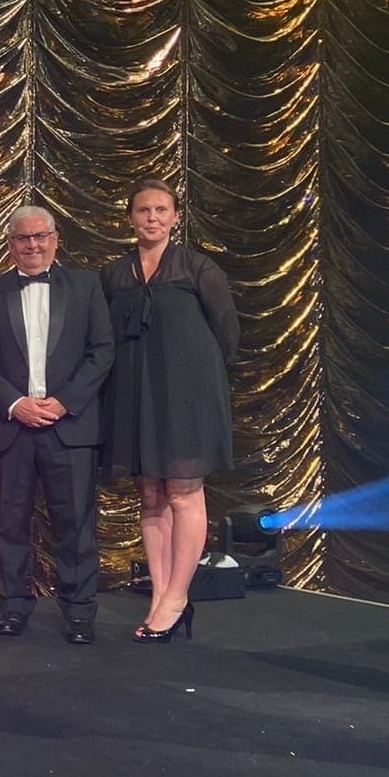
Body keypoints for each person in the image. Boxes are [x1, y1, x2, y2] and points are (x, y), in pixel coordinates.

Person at [102, 177, 239, 642]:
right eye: (144, 210)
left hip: (188, 395)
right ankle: (161, 596)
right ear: (130, 218)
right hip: (136, 394)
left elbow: (227, 334)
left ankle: (179, 596)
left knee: (183, 492)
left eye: (161, 210)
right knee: (150, 495)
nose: (152, 218)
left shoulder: (199, 268)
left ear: (176, 217)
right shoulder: (115, 274)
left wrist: (196, 377)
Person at [0, 205, 113, 644]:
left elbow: (102, 350)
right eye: (23, 238)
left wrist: (65, 402)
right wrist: (16, 403)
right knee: (9, 523)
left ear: (55, 239)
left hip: (69, 426)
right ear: (10, 244)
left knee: (76, 525)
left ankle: (80, 613)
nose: (32, 245)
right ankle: (13, 608)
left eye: (40, 237)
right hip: (10, 425)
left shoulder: (87, 285)